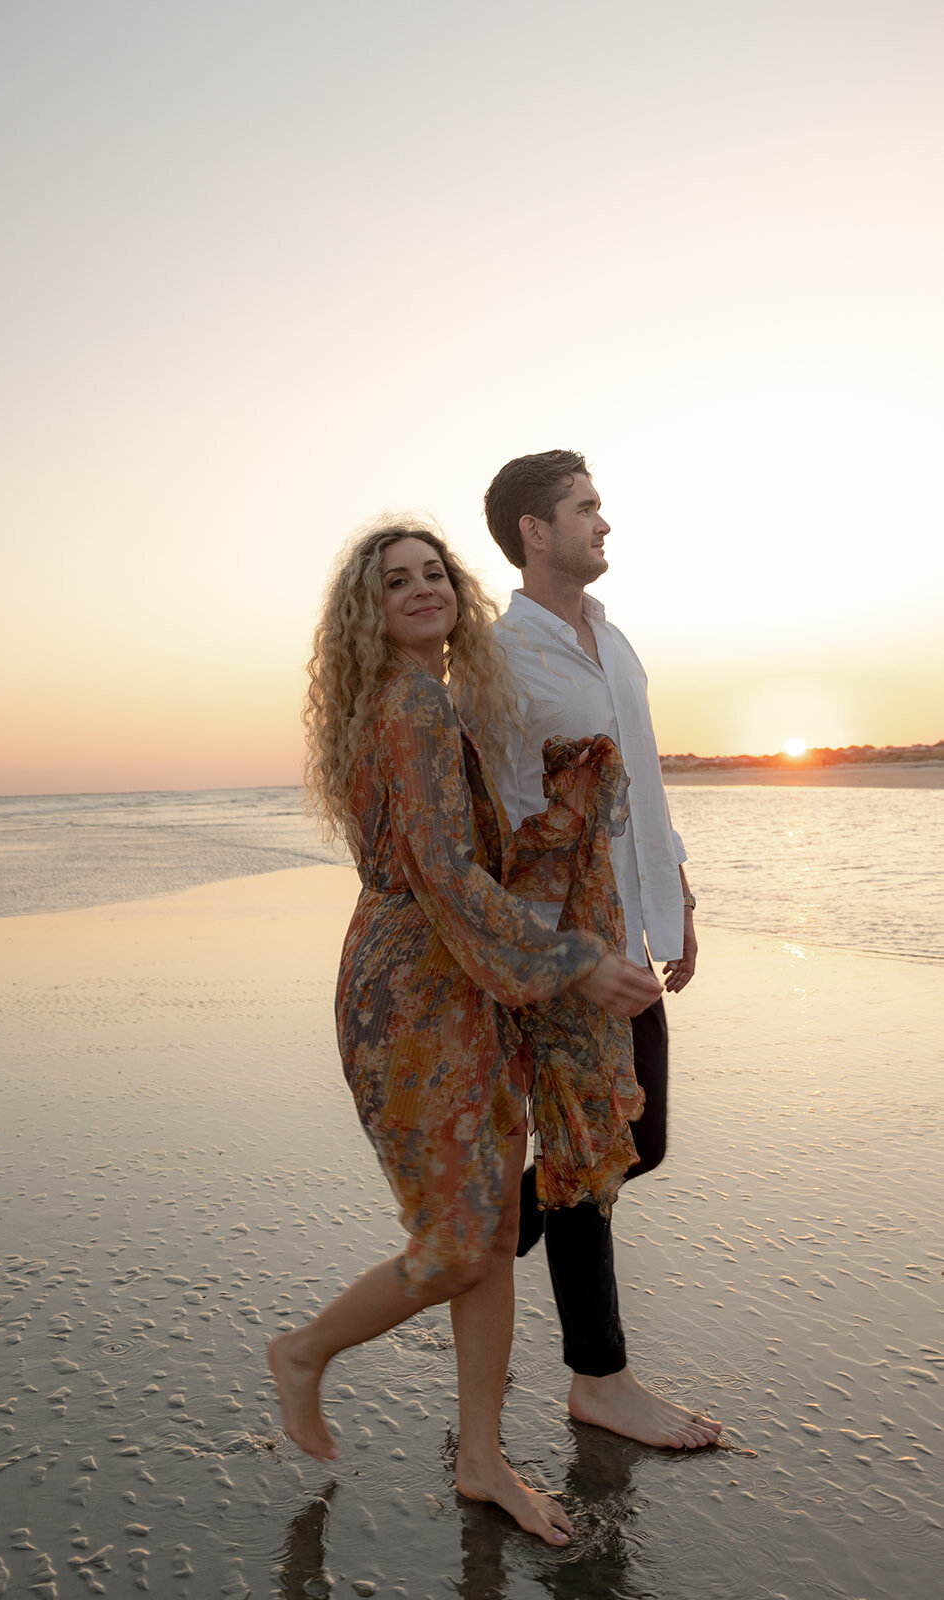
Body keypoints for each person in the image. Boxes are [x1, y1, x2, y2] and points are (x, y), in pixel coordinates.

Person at [268, 518, 661, 1545]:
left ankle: (482, 1457)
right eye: (394, 580)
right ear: (368, 610)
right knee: (453, 1244)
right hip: (409, 1002)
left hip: (457, 988)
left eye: (434, 572)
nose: (420, 589)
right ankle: (304, 1351)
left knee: (490, 1233)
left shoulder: (431, 700)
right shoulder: (406, 708)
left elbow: (465, 865)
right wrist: (572, 954)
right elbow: (446, 877)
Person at [481, 450, 723, 1450]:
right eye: (585, 507)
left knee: (639, 1142)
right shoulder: (498, 660)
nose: (603, 523)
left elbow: (641, 789)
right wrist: (566, 953)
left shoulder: (613, 643)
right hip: (565, 954)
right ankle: (599, 1378)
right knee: (588, 1161)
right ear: (534, 531)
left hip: (631, 932)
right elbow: (501, 825)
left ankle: (470, 1251)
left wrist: (677, 895)